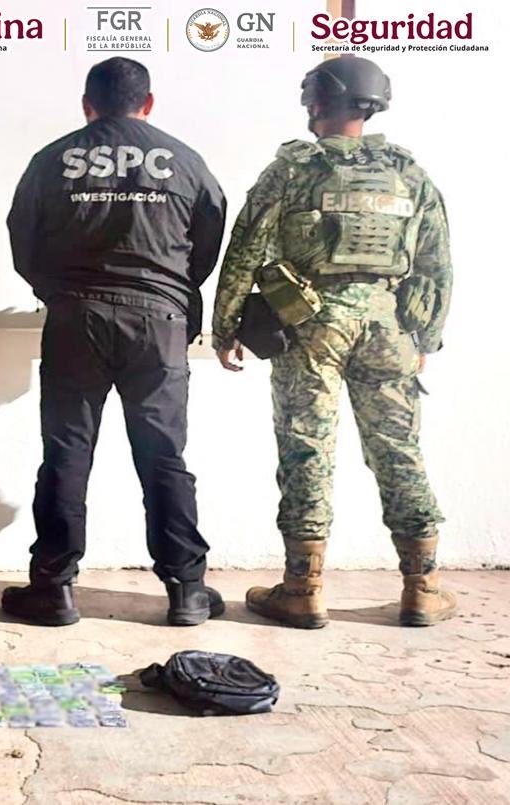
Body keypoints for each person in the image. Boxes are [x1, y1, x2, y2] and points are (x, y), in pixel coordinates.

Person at [212, 56, 456, 628]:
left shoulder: (292, 170)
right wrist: (426, 334)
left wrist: (225, 327)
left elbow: (245, 249)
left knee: (307, 448)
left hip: (310, 324)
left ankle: (303, 589)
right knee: (398, 449)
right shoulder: (410, 174)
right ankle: (422, 587)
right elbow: (436, 264)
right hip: (388, 326)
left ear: (315, 104)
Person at [3, 57, 228, 627]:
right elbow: (207, 241)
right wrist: (171, 292)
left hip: (75, 318)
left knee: (66, 452)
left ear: (87, 105)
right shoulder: (185, 160)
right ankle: (187, 590)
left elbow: (23, 242)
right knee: (163, 454)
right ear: (147, 103)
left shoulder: (52, 159)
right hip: (158, 322)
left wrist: (58, 292)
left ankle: (53, 589)